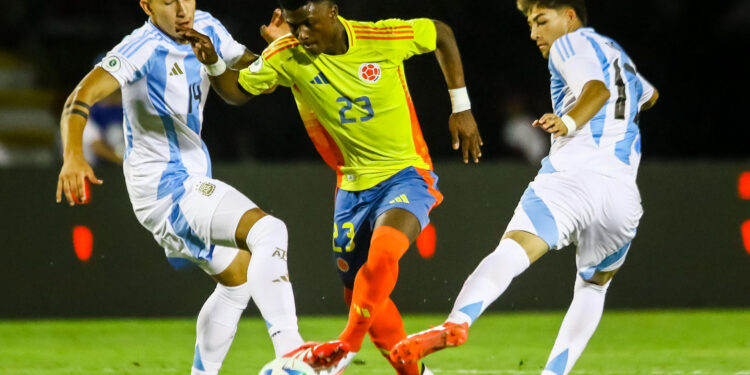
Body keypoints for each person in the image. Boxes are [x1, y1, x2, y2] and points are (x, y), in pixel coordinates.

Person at [177, 0, 483, 373]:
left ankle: (343, 350)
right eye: (294, 25)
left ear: (332, 12)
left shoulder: (381, 37)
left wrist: (461, 107)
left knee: (383, 254)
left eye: (308, 23)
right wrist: (211, 62)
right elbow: (238, 91)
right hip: (351, 186)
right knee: (360, 293)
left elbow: (441, 33)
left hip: (406, 173)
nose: (302, 33)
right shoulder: (287, 54)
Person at [390, 1, 660, 375]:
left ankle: (457, 323)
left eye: (541, 21)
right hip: (621, 195)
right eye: (531, 24)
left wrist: (568, 120)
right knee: (593, 287)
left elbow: (595, 90)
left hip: (571, 178)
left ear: (569, 15)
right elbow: (650, 96)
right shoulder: (615, 54)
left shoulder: (571, 43)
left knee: (511, 253)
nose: (534, 33)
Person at [54, 1, 304, 374]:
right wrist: (73, 154)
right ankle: (292, 358)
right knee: (269, 230)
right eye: (168, 1)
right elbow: (81, 97)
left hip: (188, 180)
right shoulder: (139, 48)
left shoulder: (206, 26)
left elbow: (249, 81)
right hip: (164, 188)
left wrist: (278, 49)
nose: (181, 8)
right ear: (147, 6)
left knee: (238, 280)